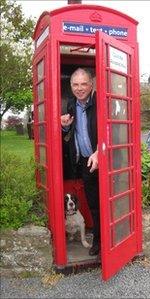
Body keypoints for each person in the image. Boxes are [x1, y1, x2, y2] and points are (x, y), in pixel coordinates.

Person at [61, 68, 100, 256]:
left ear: (91, 84)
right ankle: (98, 241)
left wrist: (100, 151)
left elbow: (111, 129)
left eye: (84, 83)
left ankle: (111, 241)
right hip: (86, 163)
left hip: (105, 160)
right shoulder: (70, 105)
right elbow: (68, 135)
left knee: (109, 204)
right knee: (93, 203)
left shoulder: (101, 102)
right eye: (75, 84)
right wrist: (63, 126)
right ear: (71, 86)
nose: (79, 88)